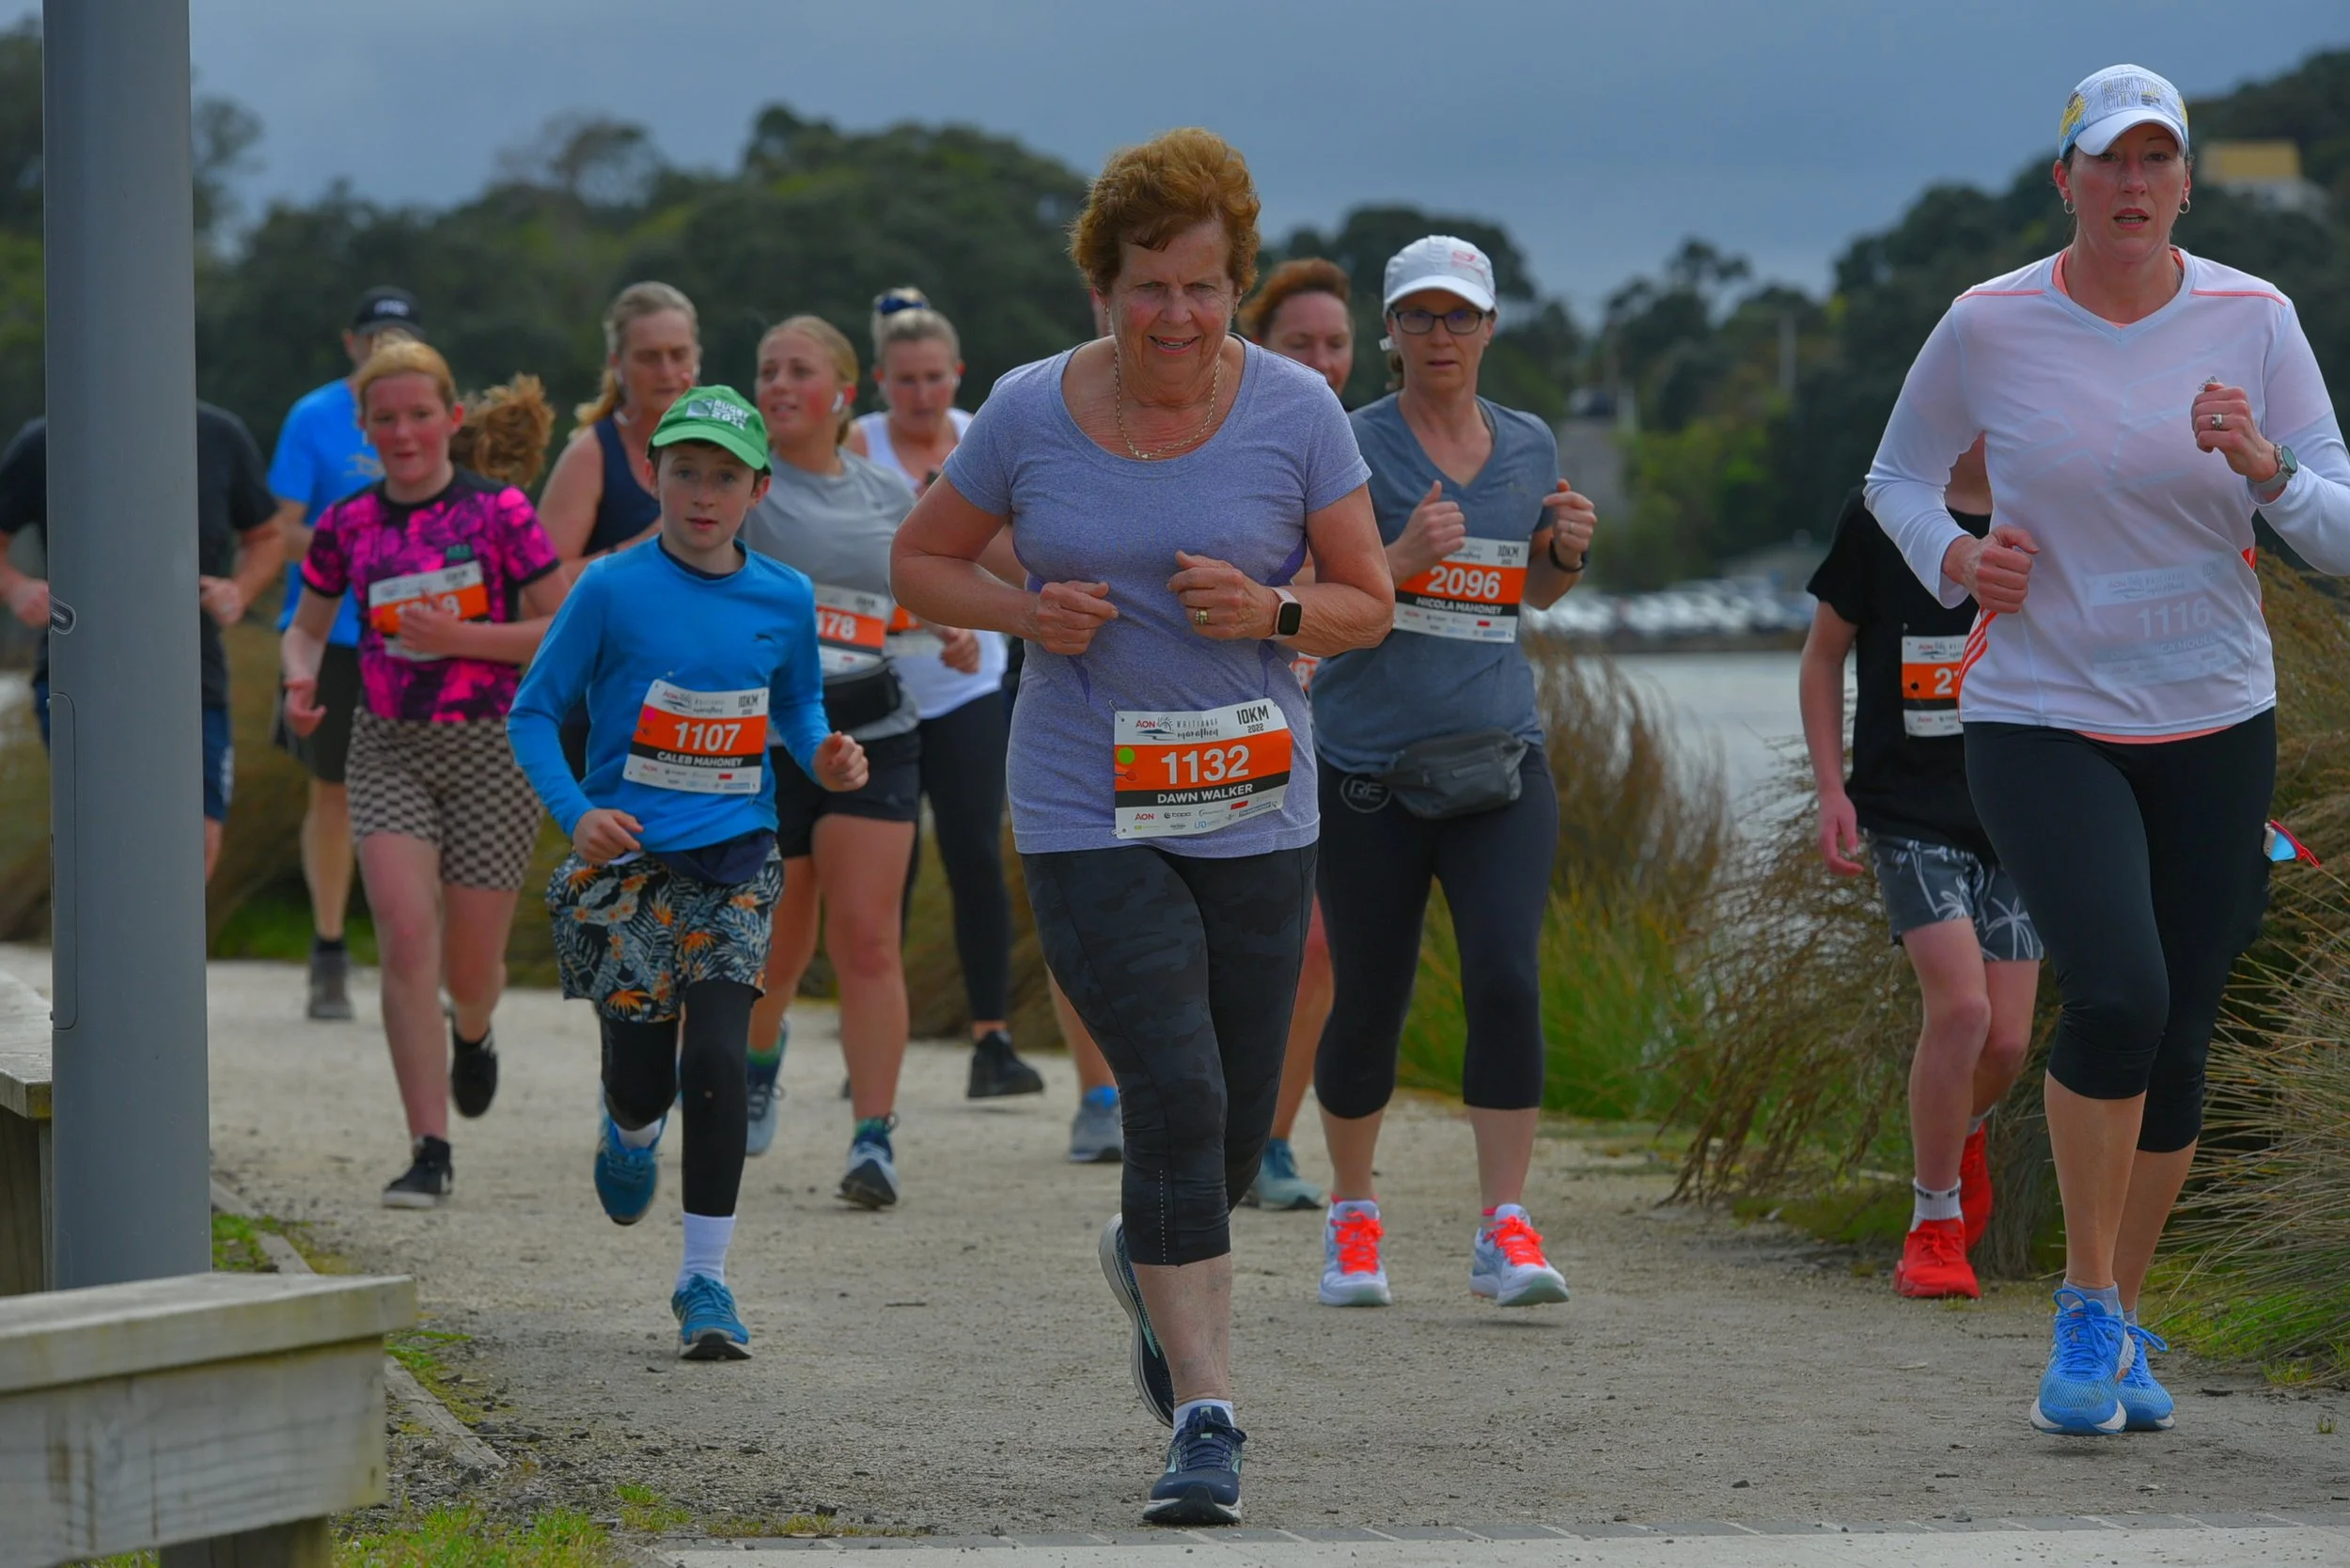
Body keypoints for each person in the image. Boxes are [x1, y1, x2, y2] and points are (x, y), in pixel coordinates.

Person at [892, 128, 1392, 1527]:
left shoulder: (1296, 411)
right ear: (1099, 288)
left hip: (1250, 803)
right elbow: (919, 557)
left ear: (1235, 284)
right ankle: (1209, 1414)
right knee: (1169, 1093)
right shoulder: (1027, 413)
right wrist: (1023, 612)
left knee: (1228, 1126)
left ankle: (1150, 1253)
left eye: (1204, 286)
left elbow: (1370, 600)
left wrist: (1276, 611)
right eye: (1148, 287)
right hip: (1083, 804)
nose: (1177, 316)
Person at [1866, 64, 2350, 1437]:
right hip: (2040, 715)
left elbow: (2340, 520)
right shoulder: (1989, 324)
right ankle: (2083, 1301)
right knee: (2122, 993)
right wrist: (1959, 553)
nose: (2131, 185)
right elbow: (1894, 478)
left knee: (2183, 1034)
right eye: (2106, 161)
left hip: (2215, 717)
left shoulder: (2256, 318)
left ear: (2187, 180)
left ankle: (2123, 1322)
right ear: (2063, 179)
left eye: (2156, 160)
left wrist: (2266, 467)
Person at [509, 385, 869, 1358]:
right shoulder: (610, 588)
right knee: (643, 1081)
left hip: (735, 862)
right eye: (683, 473)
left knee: (715, 1059)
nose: (701, 494)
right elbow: (532, 713)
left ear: (758, 487)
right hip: (628, 864)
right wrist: (578, 815)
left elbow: (793, 707)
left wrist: (822, 753)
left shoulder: (784, 597)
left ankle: (704, 1282)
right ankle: (627, 1132)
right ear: (651, 477)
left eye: (722, 477)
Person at [1305, 236, 1596, 1314]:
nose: (1440, 336)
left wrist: (1563, 555)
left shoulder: (1526, 444)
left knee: (1506, 979)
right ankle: (1351, 1212)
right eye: (1420, 317)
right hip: (1369, 768)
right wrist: (1396, 563)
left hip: (1500, 759)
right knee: (1372, 997)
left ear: (1489, 327)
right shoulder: (1343, 444)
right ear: (1389, 331)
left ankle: (1503, 1224)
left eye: (1459, 317)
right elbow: (1305, 596)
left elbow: (1528, 600)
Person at [281, 339, 569, 1208]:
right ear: (366, 432)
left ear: (450, 419)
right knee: (406, 938)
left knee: (469, 970)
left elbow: (558, 630)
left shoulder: (502, 512)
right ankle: (428, 1146)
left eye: (418, 415)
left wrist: (464, 640)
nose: (403, 433)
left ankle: (473, 1032)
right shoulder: (348, 524)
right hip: (389, 747)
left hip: (491, 751)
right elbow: (305, 623)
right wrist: (299, 674)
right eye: (385, 419)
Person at [742, 314, 974, 1205]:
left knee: (867, 937)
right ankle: (760, 1061)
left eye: (798, 370)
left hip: (874, 734)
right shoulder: (738, 490)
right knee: (778, 940)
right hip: (764, 745)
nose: (777, 385)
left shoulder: (885, 494)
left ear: (842, 395)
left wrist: (953, 629)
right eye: (766, 370)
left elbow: (913, 588)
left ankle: (873, 1138)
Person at [1801, 440, 2039, 1301]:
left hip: (2020, 812)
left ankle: (1960, 1132)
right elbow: (1824, 654)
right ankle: (1932, 1225)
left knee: (2008, 1039)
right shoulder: (1885, 511)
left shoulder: (2046, 498)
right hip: (1908, 814)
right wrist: (1833, 790)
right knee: (1964, 1009)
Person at [847, 287, 1045, 1100]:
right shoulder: (853, 447)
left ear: (957, 374)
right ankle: (874, 1029)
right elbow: (847, 562)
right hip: (876, 680)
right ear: (877, 382)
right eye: (905, 381)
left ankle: (991, 1040)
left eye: (934, 377)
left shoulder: (980, 438)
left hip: (970, 682)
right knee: (883, 866)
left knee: (973, 855)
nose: (922, 394)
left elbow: (1027, 549)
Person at [0, 406, 280, 881]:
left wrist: (241, 589)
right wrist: (17, 587)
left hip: (192, 673)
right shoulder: (48, 439)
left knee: (197, 831)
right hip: (78, 673)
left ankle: (172, 956)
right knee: (101, 827)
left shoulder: (218, 434)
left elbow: (267, 534)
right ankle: (104, 953)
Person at [1234, 256, 1357, 1210]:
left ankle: (1271, 1140)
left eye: (1335, 344)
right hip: (1231, 731)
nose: (1320, 362)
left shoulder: (1360, 448)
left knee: (1315, 953)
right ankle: (1212, 1129)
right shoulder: (1243, 441)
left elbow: (1380, 597)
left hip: (1346, 738)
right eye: (1298, 345)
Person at [268, 287, 426, 1019]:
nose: (384, 348)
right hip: (333, 631)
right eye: (374, 338)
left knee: (435, 795)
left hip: (425, 635)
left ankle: (422, 953)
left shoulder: (436, 409)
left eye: (399, 337)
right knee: (331, 791)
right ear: (350, 342)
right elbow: (280, 530)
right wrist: (360, 545)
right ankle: (329, 948)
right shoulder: (314, 416)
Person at [536, 283, 701, 777]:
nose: (668, 372)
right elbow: (538, 588)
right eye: (650, 357)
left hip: (707, 699)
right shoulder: (592, 454)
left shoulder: (731, 443)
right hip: (606, 706)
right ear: (617, 363)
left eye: (679, 354)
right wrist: (644, 547)